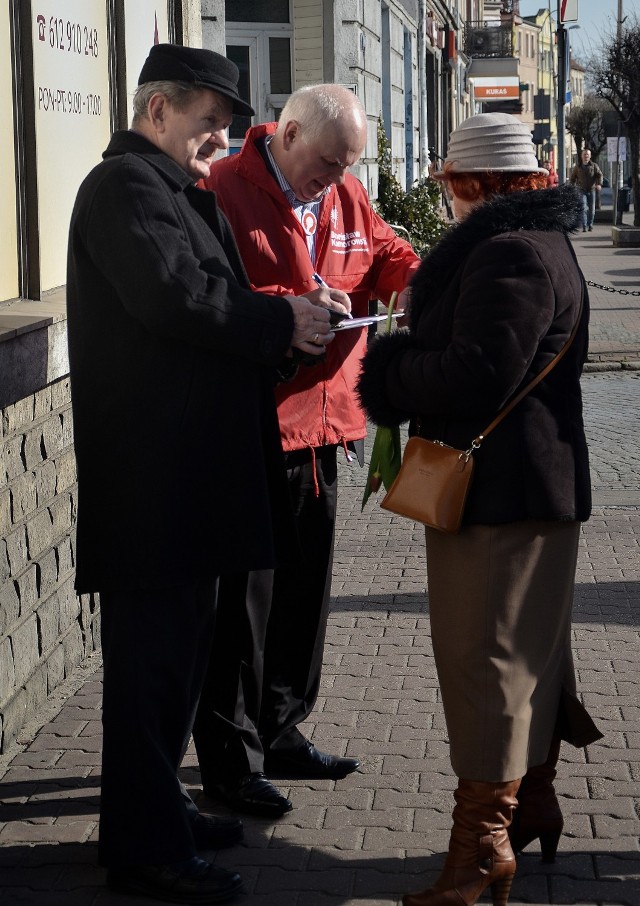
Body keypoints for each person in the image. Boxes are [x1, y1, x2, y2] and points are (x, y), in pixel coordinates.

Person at [66, 44, 337, 904]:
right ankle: (145, 846)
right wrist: (276, 323)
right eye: (207, 126)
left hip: (191, 479)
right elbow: (174, 299)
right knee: (149, 674)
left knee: (180, 667)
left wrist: (293, 314)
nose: (218, 144)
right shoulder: (123, 190)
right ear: (157, 112)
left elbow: (217, 298)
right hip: (154, 483)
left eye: (224, 130)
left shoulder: (176, 190)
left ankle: (157, 815)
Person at [357, 112, 603, 906]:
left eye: (452, 185)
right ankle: (530, 804)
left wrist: (388, 368)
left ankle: (480, 852)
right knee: (526, 656)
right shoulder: (539, 243)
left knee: (486, 666)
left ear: (476, 184)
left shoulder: (508, 253)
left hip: (501, 495)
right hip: (529, 488)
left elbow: (476, 373)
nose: (448, 199)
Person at [193, 84, 420, 817]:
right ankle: (231, 760)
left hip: (327, 424)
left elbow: (385, 251)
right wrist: (293, 304)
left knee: (302, 596)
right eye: (326, 162)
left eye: (346, 165)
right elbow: (210, 298)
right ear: (285, 133)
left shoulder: (346, 193)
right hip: (253, 424)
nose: (335, 178)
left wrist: (422, 285)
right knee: (242, 607)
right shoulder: (222, 188)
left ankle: (283, 728)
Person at [569, 148, 603, 231]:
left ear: (590, 156)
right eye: (584, 154)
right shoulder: (578, 167)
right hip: (581, 190)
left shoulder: (594, 166)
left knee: (592, 210)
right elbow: (572, 178)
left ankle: (590, 224)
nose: (586, 156)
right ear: (581, 156)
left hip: (591, 190)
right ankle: (584, 225)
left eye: (587, 155)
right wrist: (573, 187)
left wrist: (599, 184)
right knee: (583, 207)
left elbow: (599, 175)